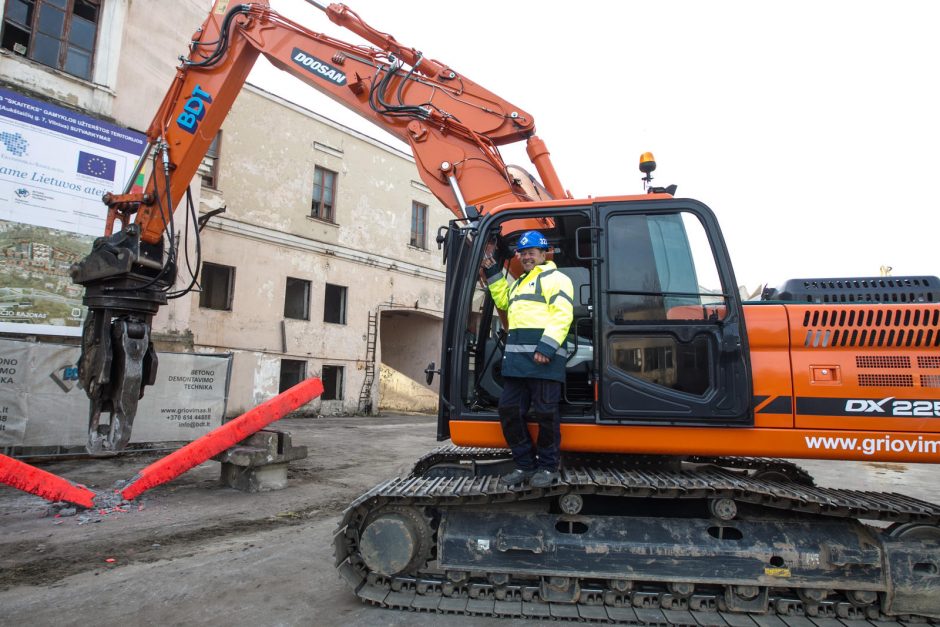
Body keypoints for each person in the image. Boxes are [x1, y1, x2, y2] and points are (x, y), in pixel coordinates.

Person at [482, 230, 574, 488]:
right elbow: (503, 301)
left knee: (546, 414)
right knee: (508, 410)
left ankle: (547, 467)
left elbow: (562, 314)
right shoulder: (521, 283)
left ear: (543, 254)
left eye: (531, 252)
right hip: (518, 363)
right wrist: (491, 271)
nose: (526, 257)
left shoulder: (557, 279)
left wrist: (547, 347)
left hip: (544, 360)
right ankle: (525, 465)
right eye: (522, 253)